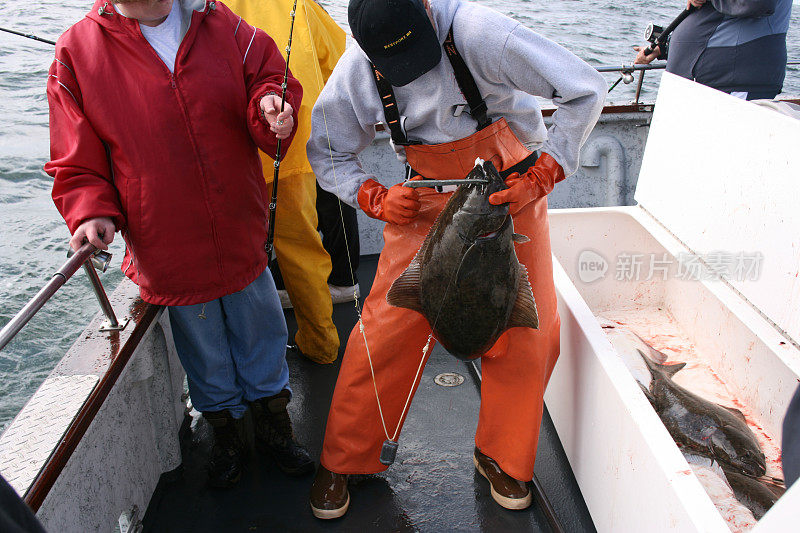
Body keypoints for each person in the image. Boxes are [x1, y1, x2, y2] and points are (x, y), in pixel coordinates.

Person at [305, 0, 605, 518]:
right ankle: (346, 458)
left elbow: (586, 89)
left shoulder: (482, 32)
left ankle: (502, 457)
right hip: (422, 200)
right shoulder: (358, 65)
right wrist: (373, 195)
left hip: (510, 194)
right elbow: (327, 148)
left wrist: (547, 170)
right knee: (384, 330)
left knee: (527, 331)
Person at [44, 0, 312, 488]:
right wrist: (91, 211)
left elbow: (268, 77)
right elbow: (74, 160)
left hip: (239, 226)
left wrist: (272, 106)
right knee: (202, 348)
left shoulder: (220, 21)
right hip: (164, 243)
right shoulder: (75, 53)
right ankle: (225, 432)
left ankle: (275, 424)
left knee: (262, 327)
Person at [225, 0, 344, 364]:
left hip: (229, 158)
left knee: (235, 258)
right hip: (290, 150)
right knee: (302, 252)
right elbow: (339, 62)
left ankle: (248, 359)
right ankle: (321, 344)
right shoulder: (302, 6)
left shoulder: (199, 10)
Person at [634, 0, 791, 100]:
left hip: (730, 84)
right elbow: (721, 23)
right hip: (715, 83)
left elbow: (757, 4)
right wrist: (665, 48)